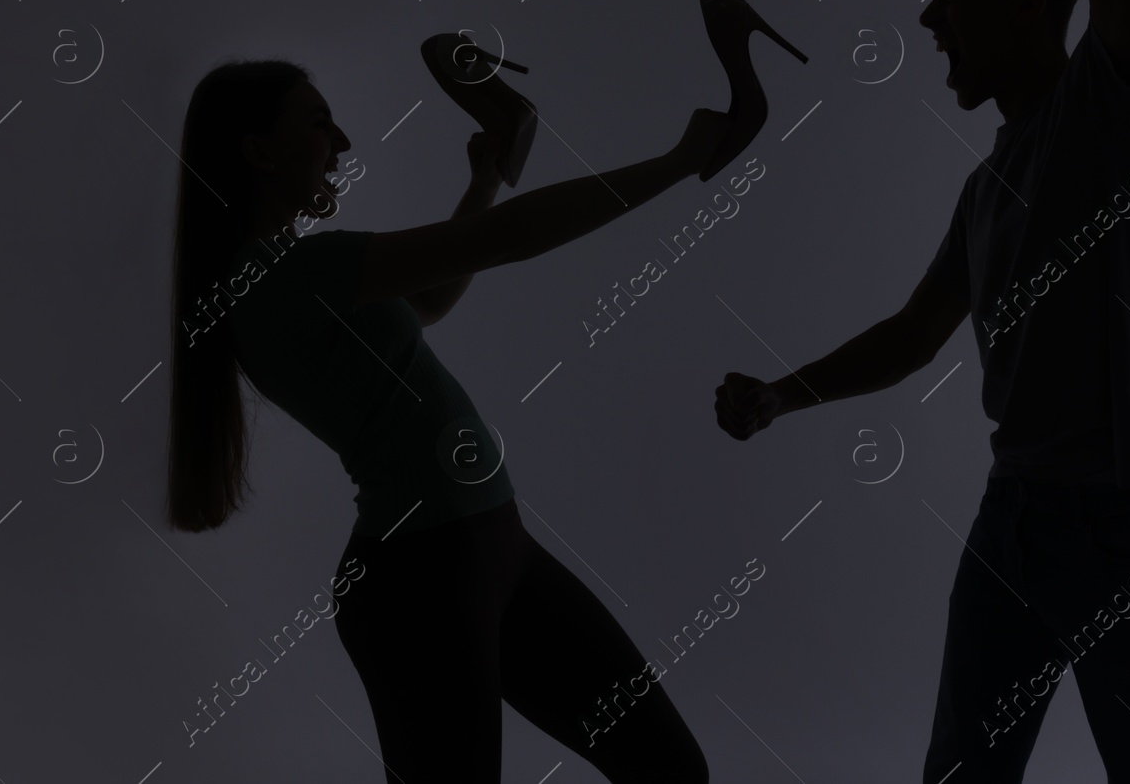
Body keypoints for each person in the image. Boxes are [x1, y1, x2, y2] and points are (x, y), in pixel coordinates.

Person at [713, 0, 1130, 782]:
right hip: (1011, 524)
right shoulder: (986, 189)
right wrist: (779, 393)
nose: (927, 22)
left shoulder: (1106, 107)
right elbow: (911, 333)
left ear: (1028, 3)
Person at [165, 52, 729, 782]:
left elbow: (426, 302)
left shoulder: (292, 268)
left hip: (495, 546)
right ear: (258, 151)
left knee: (670, 769)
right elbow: (507, 240)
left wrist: (483, 180)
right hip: (419, 581)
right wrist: (682, 159)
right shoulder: (281, 279)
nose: (342, 143)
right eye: (317, 122)